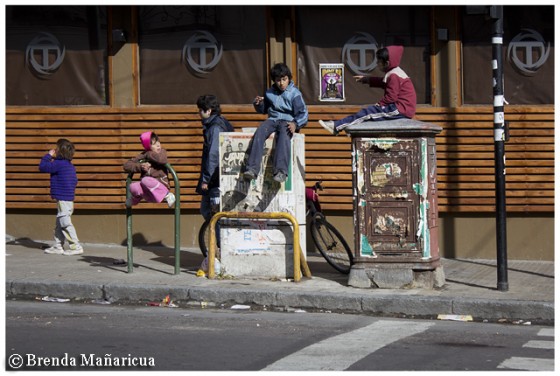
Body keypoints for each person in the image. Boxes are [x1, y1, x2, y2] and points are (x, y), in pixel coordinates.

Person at [319, 46, 416, 135]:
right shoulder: (395, 73)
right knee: (370, 113)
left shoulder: (394, 75)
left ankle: (337, 126)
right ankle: (346, 126)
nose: (377, 64)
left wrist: (379, 104)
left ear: (387, 63)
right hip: (401, 108)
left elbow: (391, 97)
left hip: (400, 109)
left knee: (369, 112)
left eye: (379, 62)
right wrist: (367, 80)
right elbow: (383, 83)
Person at [244, 62, 308, 183]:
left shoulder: (295, 94)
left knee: (284, 136)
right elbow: (264, 110)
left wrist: (295, 124)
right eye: (278, 80)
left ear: (289, 78)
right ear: (274, 80)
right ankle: (252, 169)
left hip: (287, 120)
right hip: (272, 120)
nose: (282, 83)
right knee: (260, 132)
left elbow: (303, 113)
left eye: (284, 79)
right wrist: (259, 104)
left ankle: (280, 171)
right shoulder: (269, 93)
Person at [39, 138, 83, 255]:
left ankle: (76, 246)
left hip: (64, 199)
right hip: (66, 199)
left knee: (65, 223)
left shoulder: (58, 164)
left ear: (59, 152)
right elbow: (75, 181)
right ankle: (58, 246)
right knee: (59, 223)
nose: (54, 150)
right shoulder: (68, 165)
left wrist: (48, 155)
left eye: (56, 148)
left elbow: (43, 167)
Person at [195, 94, 234, 224]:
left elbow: (213, 155)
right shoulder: (221, 123)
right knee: (209, 211)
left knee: (213, 213)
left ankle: (219, 242)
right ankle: (217, 241)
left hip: (216, 179)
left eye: (201, 110)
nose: (199, 113)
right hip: (219, 177)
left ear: (209, 110)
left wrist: (206, 179)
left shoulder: (215, 128)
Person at [123, 131, 175, 208]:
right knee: (133, 186)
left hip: (161, 187)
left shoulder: (161, 152)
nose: (158, 145)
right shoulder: (143, 155)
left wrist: (148, 154)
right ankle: (135, 199)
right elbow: (127, 165)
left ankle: (168, 195)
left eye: (158, 142)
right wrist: (140, 166)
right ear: (148, 146)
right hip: (148, 192)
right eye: (154, 143)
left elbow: (162, 160)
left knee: (145, 180)